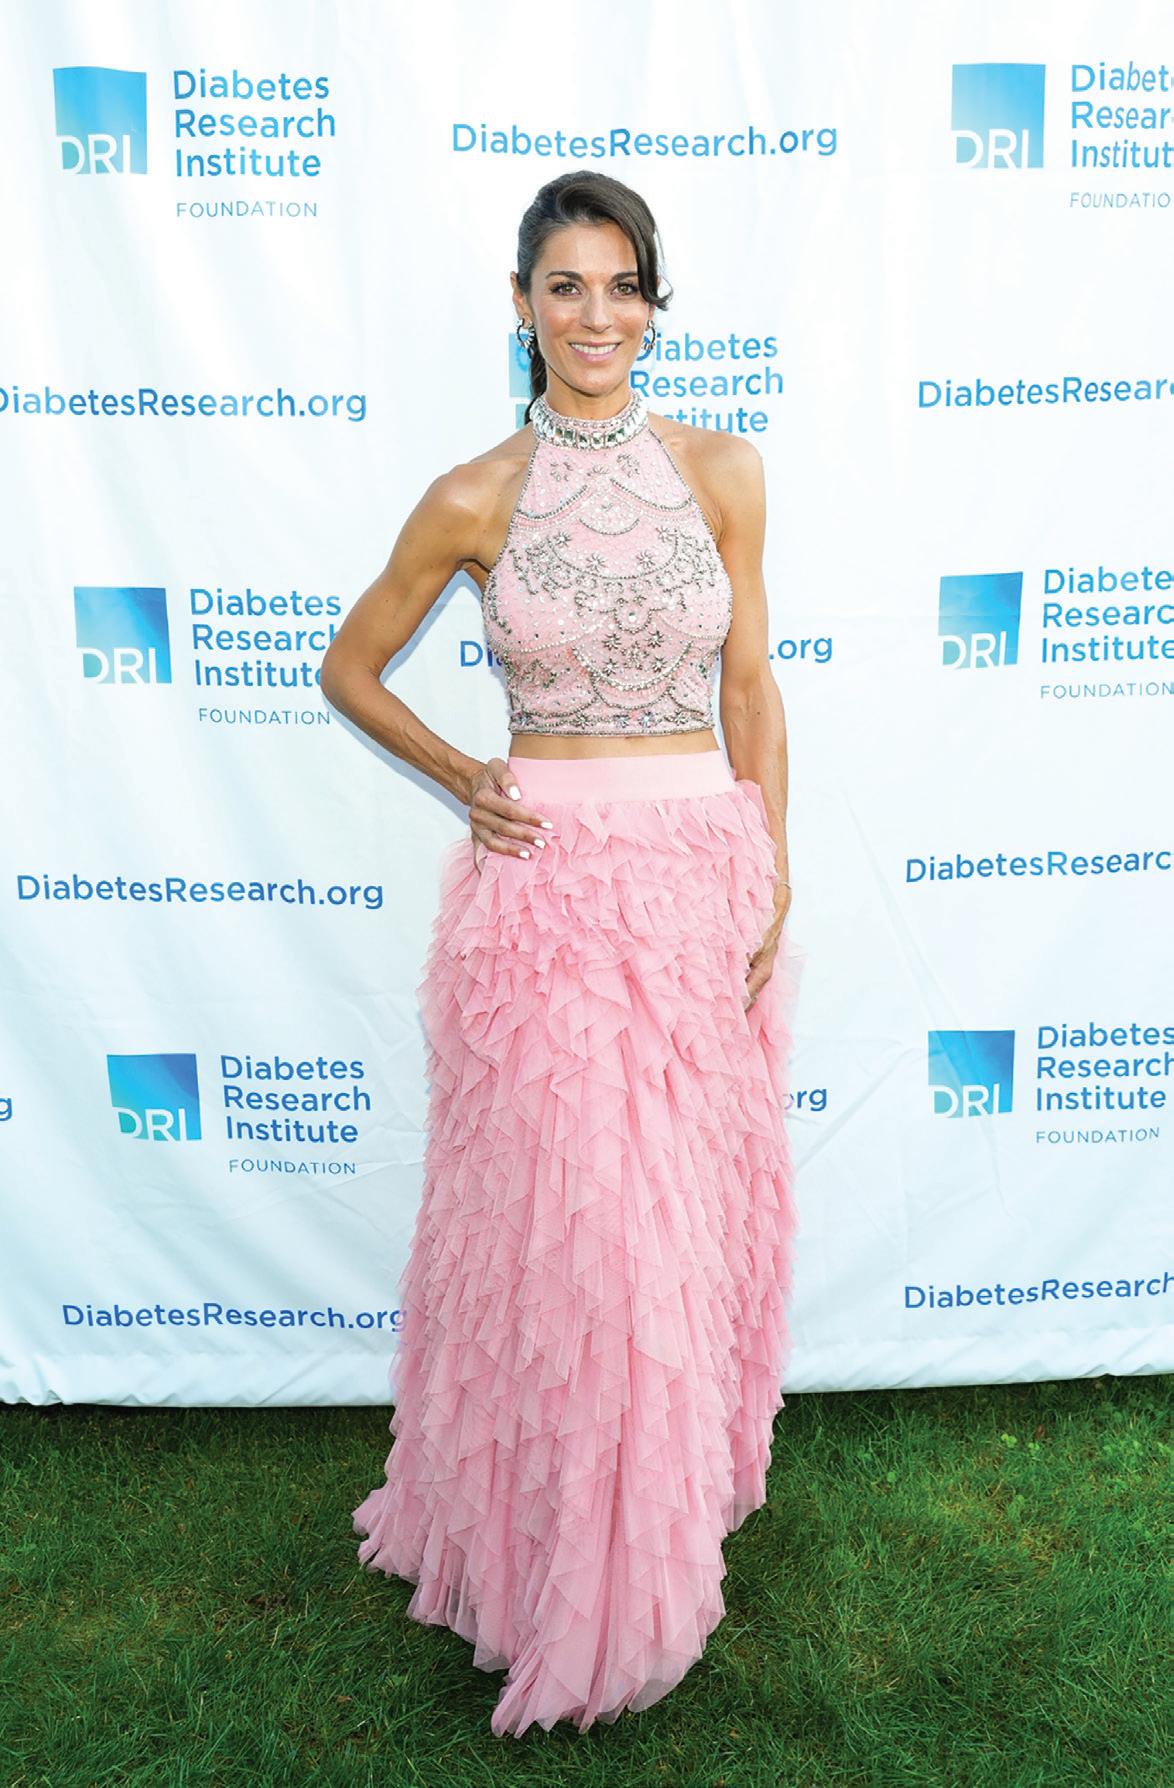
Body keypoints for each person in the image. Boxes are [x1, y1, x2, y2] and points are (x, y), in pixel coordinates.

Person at [320, 170, 805, 1738]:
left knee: (668, 1234)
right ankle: (556, 1571)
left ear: (653, 306)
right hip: (543, 898)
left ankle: (647, 1537)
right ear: (523, 308)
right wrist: (467, 774)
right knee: (574, 1241)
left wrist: (770, 868)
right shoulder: (475, 495)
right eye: (565, 286)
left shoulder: (723, 469)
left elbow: (750, 688)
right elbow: (350, 664)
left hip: (694, 878)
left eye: (621, 286)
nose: (596, 316)